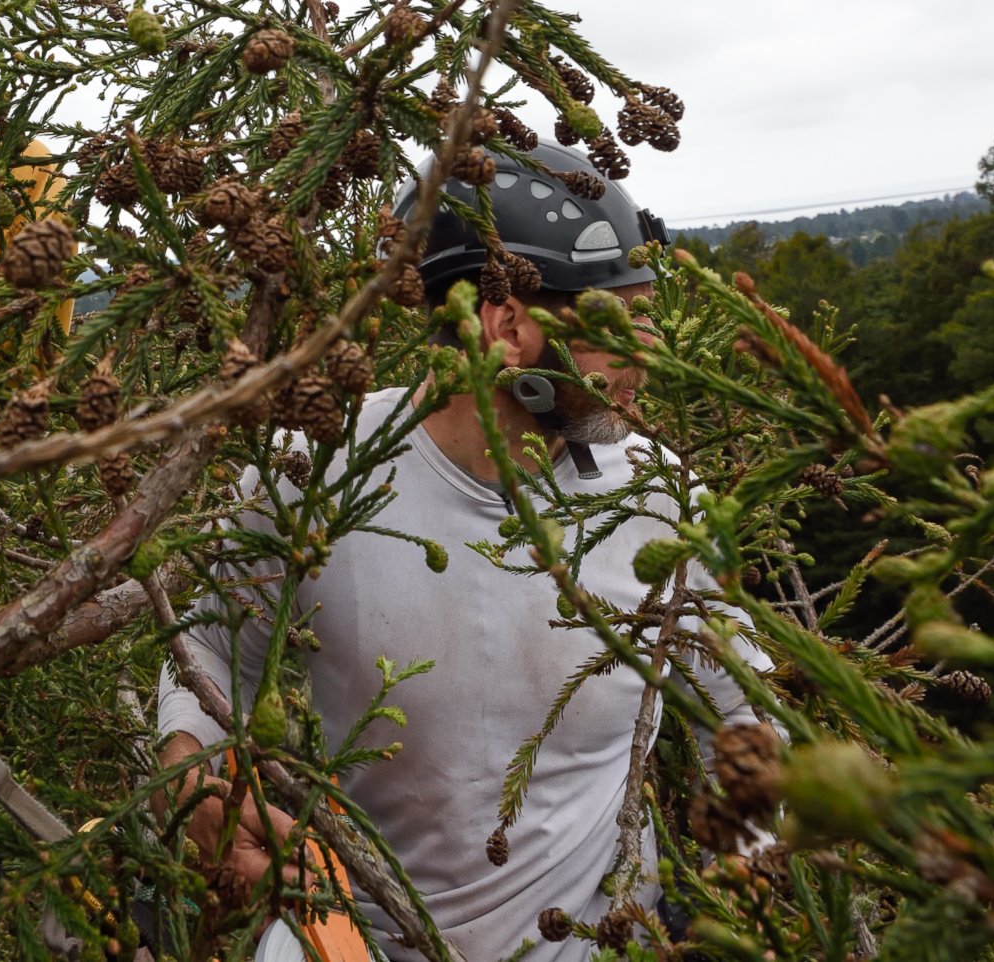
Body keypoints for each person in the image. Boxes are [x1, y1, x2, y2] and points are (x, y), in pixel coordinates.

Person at [152, 143, 765, 961]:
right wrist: (190, 771)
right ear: (506, 325)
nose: (646, 352)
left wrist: (742, 891)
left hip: (603, 941)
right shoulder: (323, 465)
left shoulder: (659, 498)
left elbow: (746, 711)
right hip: (358, 937)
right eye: (621, 321)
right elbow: (209, 640)